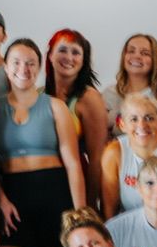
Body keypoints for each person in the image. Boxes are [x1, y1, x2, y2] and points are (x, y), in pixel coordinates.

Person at [0, 37, 85, 247]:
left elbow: (74, 164)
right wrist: (1, 199)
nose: (24, 68)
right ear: (6, 68)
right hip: (13, 199)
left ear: (40, 68)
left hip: (54, 194)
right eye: (17, 62)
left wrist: (79, 217)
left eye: (31, 63)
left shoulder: (55, 106)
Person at [45, 30, 110, 212]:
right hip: (43, 184)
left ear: (83, 60)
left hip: (75, 187)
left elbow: (97, 158)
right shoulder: (39, 94)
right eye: (62, 50)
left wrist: (88, 206)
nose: (69, 57)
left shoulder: (89, 98)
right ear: (50, 55)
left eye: (76, 52)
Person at [103, 34, 157, 145]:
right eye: (131, 51)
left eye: (145, 53)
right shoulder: (108, 94)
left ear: (154, 60)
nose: (136, 56)